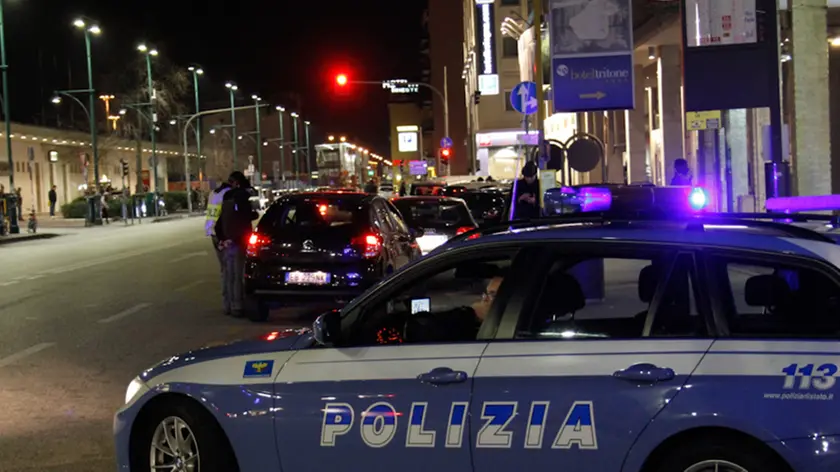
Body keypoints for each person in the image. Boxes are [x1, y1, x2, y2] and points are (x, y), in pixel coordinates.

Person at [215, 171, 259, 317]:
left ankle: (227, 305)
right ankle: (237, 306)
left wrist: (222, 239)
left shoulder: (226, 196)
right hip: (240, 240)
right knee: (239, 274)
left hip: (226, 240)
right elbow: (247, 216)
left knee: (228, 274)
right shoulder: (243, 197)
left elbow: (219, 222)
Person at [206, 179, 231, 313]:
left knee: (224, 269)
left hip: (213, 234)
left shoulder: (212, 193)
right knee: (230, 270)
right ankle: (230, 304)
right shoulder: (227, 194)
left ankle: (226, 303)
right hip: (223, 235)